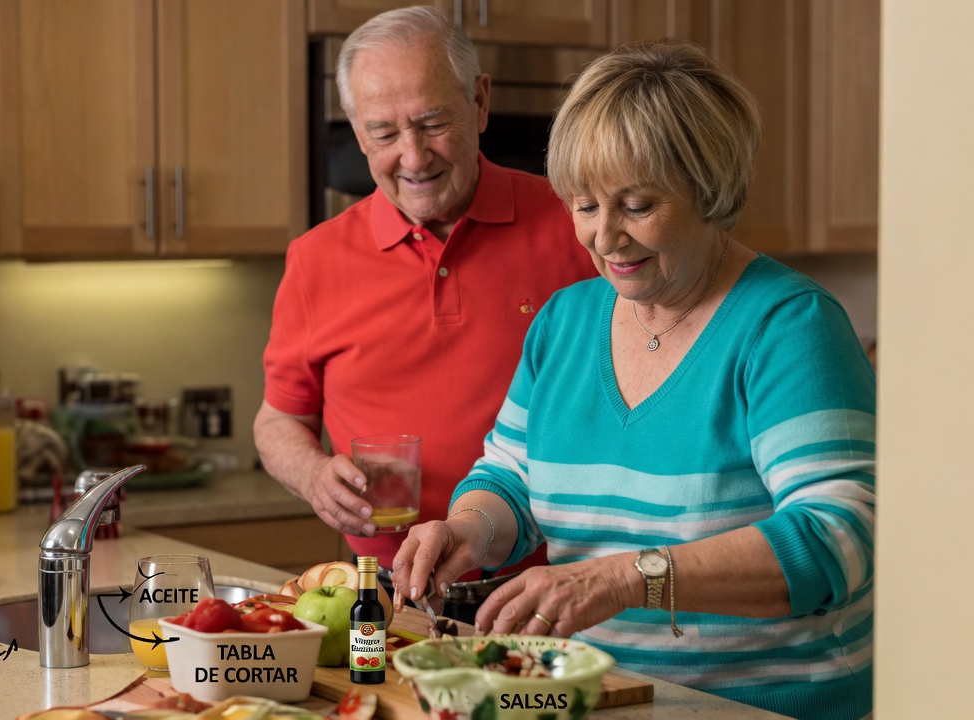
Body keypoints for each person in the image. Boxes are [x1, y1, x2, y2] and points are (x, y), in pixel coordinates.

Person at [391, 40, 875, 720]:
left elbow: (839, 538)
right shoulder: (565, 321)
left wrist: (628, 578)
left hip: (759, 707)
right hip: (596, 698)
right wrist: (468, 531)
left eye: (638, 205)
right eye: (584, 205)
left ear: (709, 189)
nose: (605, 237)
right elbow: (510, 479)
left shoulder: (788, 327)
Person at [254, 6, 597, 576]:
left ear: (480, 101)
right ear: (355, 126)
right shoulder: (314, 260)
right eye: (383, 133)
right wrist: (314, 474)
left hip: (554, 581)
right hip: (390, 593)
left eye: (433, 123)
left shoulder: (579, 227)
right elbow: (277, 421)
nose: (413, 158)